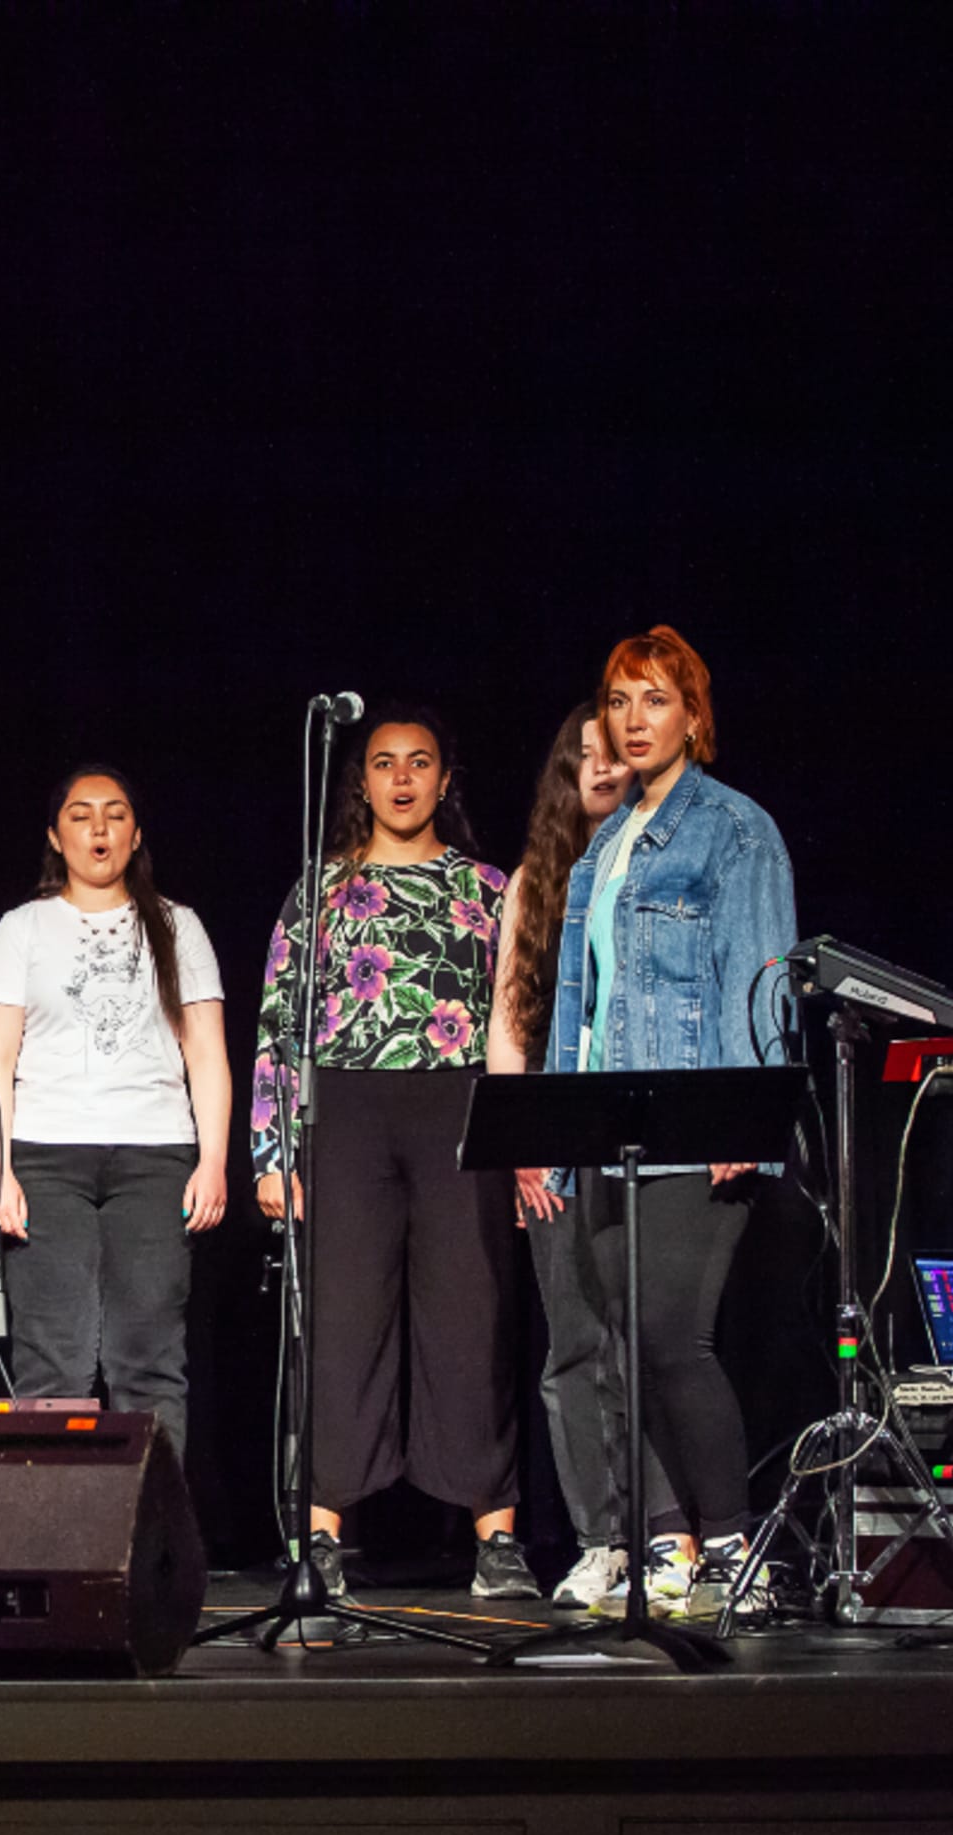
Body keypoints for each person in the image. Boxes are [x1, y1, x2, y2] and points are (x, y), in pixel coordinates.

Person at [538, 625, 797, 1622]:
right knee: (618, 1340)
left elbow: (763, 976)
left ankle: (735, 1546)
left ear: (693, 714)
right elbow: (579, 1003)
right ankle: (665, 1540)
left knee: (671, 1334)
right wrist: (561, 1130)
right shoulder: (603, 845)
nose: (632, 720)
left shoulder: (734, 830)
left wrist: (747, 1107)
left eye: (654, 700)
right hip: (609, 1125)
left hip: (697, 1116)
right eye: (618, 699)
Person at [252, 708, 533, 1601]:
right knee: (342, 1322)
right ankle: (325, 1535)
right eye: (383, 763)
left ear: (446, 779)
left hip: (459, 1108)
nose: (402, 779)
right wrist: (271, 1146)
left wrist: (523, 1138)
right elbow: (277, 1025)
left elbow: (519, 1020)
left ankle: (496, 1538)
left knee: (471, 1316)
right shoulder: (320, 889)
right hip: (348, 1108)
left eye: (420, 763)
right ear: (361, 781)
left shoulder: (489, 887)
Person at [0, 766, 232, 1456]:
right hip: (46, 1155)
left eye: (115, 813)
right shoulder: (22, 929)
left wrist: (212, 1160)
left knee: (146, 1359)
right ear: (56, 837)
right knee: (51, 1362)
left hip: (153, 1156)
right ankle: (50, 1542)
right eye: (81, 814)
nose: (98, 827)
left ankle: (155, 1545)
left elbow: (206, 1052)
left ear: (136, 833)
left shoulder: (179, 926)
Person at [486, 705, 676, 1613]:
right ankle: (602, 1539)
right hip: (556, 1138)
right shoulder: (536, 880)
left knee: (650, 1338)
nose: (599, 769)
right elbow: (510, 1024)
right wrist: (525, 1144)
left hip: (643, 1135)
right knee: (572, 1345)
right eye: (582, 758)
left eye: (613, 754)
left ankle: (671, 1536)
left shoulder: (666, 865)